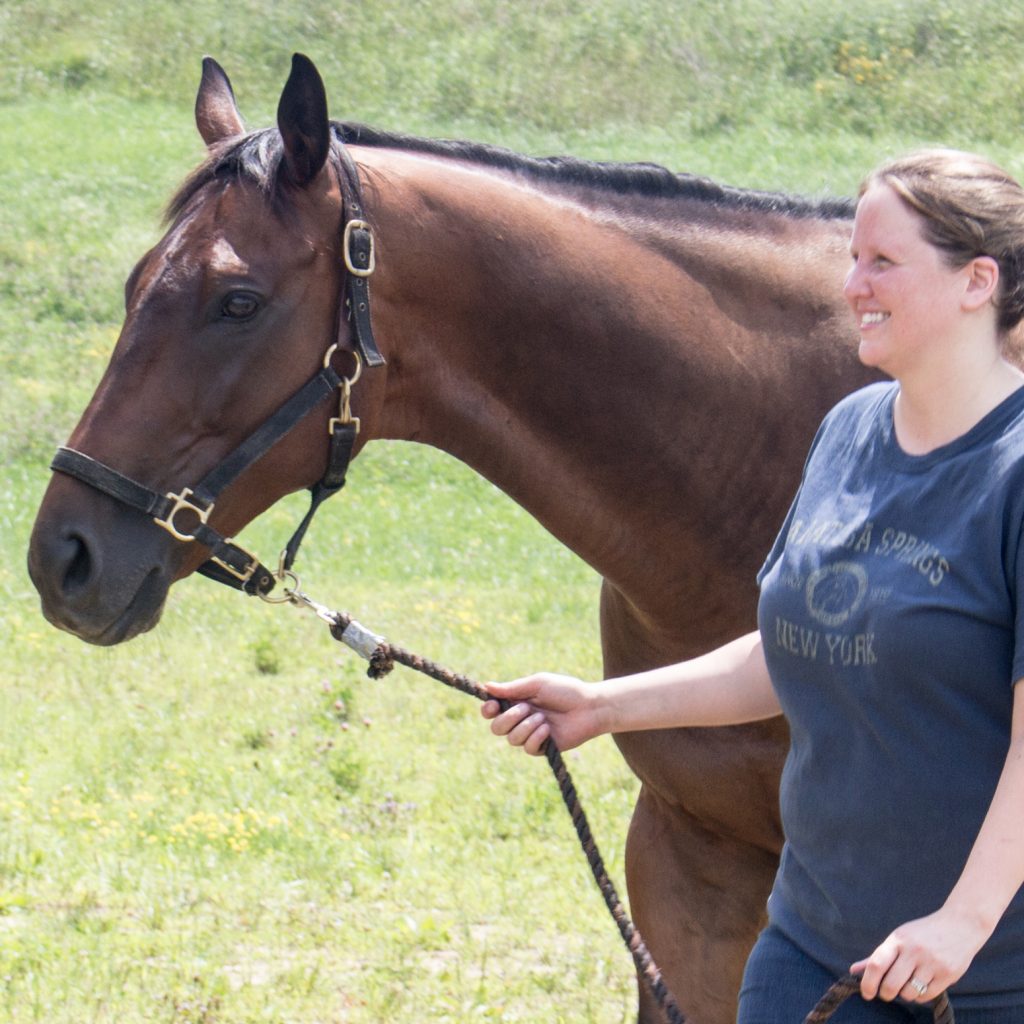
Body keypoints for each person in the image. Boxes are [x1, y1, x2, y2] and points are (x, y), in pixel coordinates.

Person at [481, 149, 1024, 1022]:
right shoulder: (849, 432)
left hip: (980, 982)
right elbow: (792, 645)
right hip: (810, 953)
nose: (852, 285)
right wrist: (602, 704)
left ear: (977, 281)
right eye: (853, 257)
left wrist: (960, 926)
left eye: (883, 262)